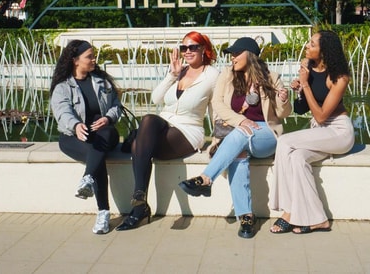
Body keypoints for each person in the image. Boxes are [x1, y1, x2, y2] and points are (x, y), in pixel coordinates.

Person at [179, 37, 292, 239]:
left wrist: (283, 100)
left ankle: (206, 178)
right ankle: (246, 216)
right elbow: (218, 104)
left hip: (266, 134)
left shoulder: (271, 77)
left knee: (240, 134)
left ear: (250, 55)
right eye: (231, 54)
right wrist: (241, 120)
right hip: (239, 133)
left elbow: (282, 114)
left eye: (237, 53)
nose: (233, 58)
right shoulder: (227, 75)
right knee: (238, 155)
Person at [116, 31, 220, 231]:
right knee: (148, 119)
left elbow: (215, 111)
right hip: (164, 124)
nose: (187, 51)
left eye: (193, 47)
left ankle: (139, 208)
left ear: (204, 49)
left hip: (188, 130)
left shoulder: (212, 75)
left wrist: (217, 139)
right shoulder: (179, 71)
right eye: (184, 47)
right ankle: (140, 198)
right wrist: (171, 75)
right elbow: (156, 99)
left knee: (138, 144)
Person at [268, 30, 354, 234]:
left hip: (338, 132)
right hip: (320, 133)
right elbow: (301, 110)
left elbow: (322, 116)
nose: (307, 46)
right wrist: (298, 90)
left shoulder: (340, 77)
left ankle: (288, 211)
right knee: (297, 158)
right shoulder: (309, 69)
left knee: (284, 141)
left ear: (324, 51)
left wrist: (305, 84)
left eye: (312, 44)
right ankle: (318, 219)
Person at [50, 40, 122, 235]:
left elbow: (117, 105)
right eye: (89, 56)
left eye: (93, 55)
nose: (94, 59)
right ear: (75, 60)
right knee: (95, 154)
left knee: (102, 139)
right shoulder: (62, 87)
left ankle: (88, 179)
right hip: (74, 136)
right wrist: (75, 125)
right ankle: (103, 212)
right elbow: (62, 112)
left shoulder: (102, 81)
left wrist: (108, 118)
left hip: (104, 134)